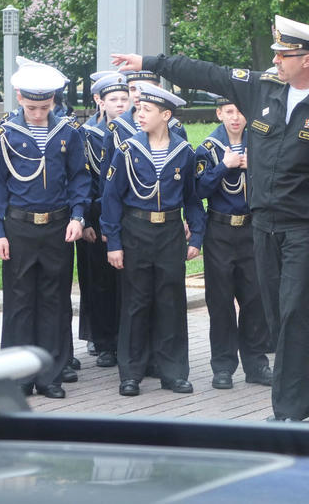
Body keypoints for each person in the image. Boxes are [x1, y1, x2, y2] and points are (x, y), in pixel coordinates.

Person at [113, 13, 309, 421]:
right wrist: (151, 61)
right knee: (279, 313)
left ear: (307, 59)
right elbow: (208, 74)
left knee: (293, 312)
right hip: (263, 222)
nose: (275, 61)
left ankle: (287, 409)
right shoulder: (263, 89)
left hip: (304, 225)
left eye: (284, 54)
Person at [0, 63, 91, 399]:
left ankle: (50, 376)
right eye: (31, 108)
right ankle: (17, 376)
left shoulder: (68, 132)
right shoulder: (5, 135)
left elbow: (79, 177)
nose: (38, 114)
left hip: (58, 225)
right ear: (19, 98)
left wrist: (78, 216)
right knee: (19, 303)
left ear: (54, 101)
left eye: (45, 108)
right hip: (19, 225)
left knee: (54, 301)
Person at [100, 82, 205, 397]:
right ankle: (130, 373)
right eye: (138, 109)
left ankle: (173, 372)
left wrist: (196, 234)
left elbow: (192, 198)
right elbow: (111, 199)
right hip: (136, 230)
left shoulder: (184, 152)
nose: (139, 114)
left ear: (166, 115)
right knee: (136, 302)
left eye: (146, 110)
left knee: (171, 302)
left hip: (170, 232)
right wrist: (114, 243)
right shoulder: (128, 150)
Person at [194, 95, 272, 390]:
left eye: (240, 111)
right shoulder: (209, 148)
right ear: (219, 113)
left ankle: (256, 364)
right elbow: (198, 188)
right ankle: (223, 366)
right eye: (229, 111)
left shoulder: (260, 143)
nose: (236, 118)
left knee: (255, 299)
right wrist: (224, 166)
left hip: (252, 230)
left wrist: (256, 169)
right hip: (221, 232)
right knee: (221, 301)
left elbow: (276, 180)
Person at [77, 72, 131, 368]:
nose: (121, 104)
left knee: (125, 280)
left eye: (125, 99)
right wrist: (84, 219)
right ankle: (103, 339)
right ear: (100, 101)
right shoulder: (87, 133)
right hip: (96, 215)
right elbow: (83, 179)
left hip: (126, 214)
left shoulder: (132, 131)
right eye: (114, 100)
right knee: (99, 281)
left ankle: (125, 338)